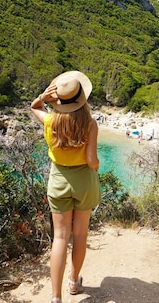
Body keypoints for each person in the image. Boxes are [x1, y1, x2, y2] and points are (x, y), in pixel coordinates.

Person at [30, 70, 101, 303]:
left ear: (59, 99)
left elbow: (34, 108)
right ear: (82, 99)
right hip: (84, 182)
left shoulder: (51, 121)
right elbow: (92, 161)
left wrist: (43, 97)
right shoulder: (90, 125)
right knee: (80, 234)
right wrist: (96, 164)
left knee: (60, 238)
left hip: (58, 180)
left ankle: (55, 297)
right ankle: (73, 281)